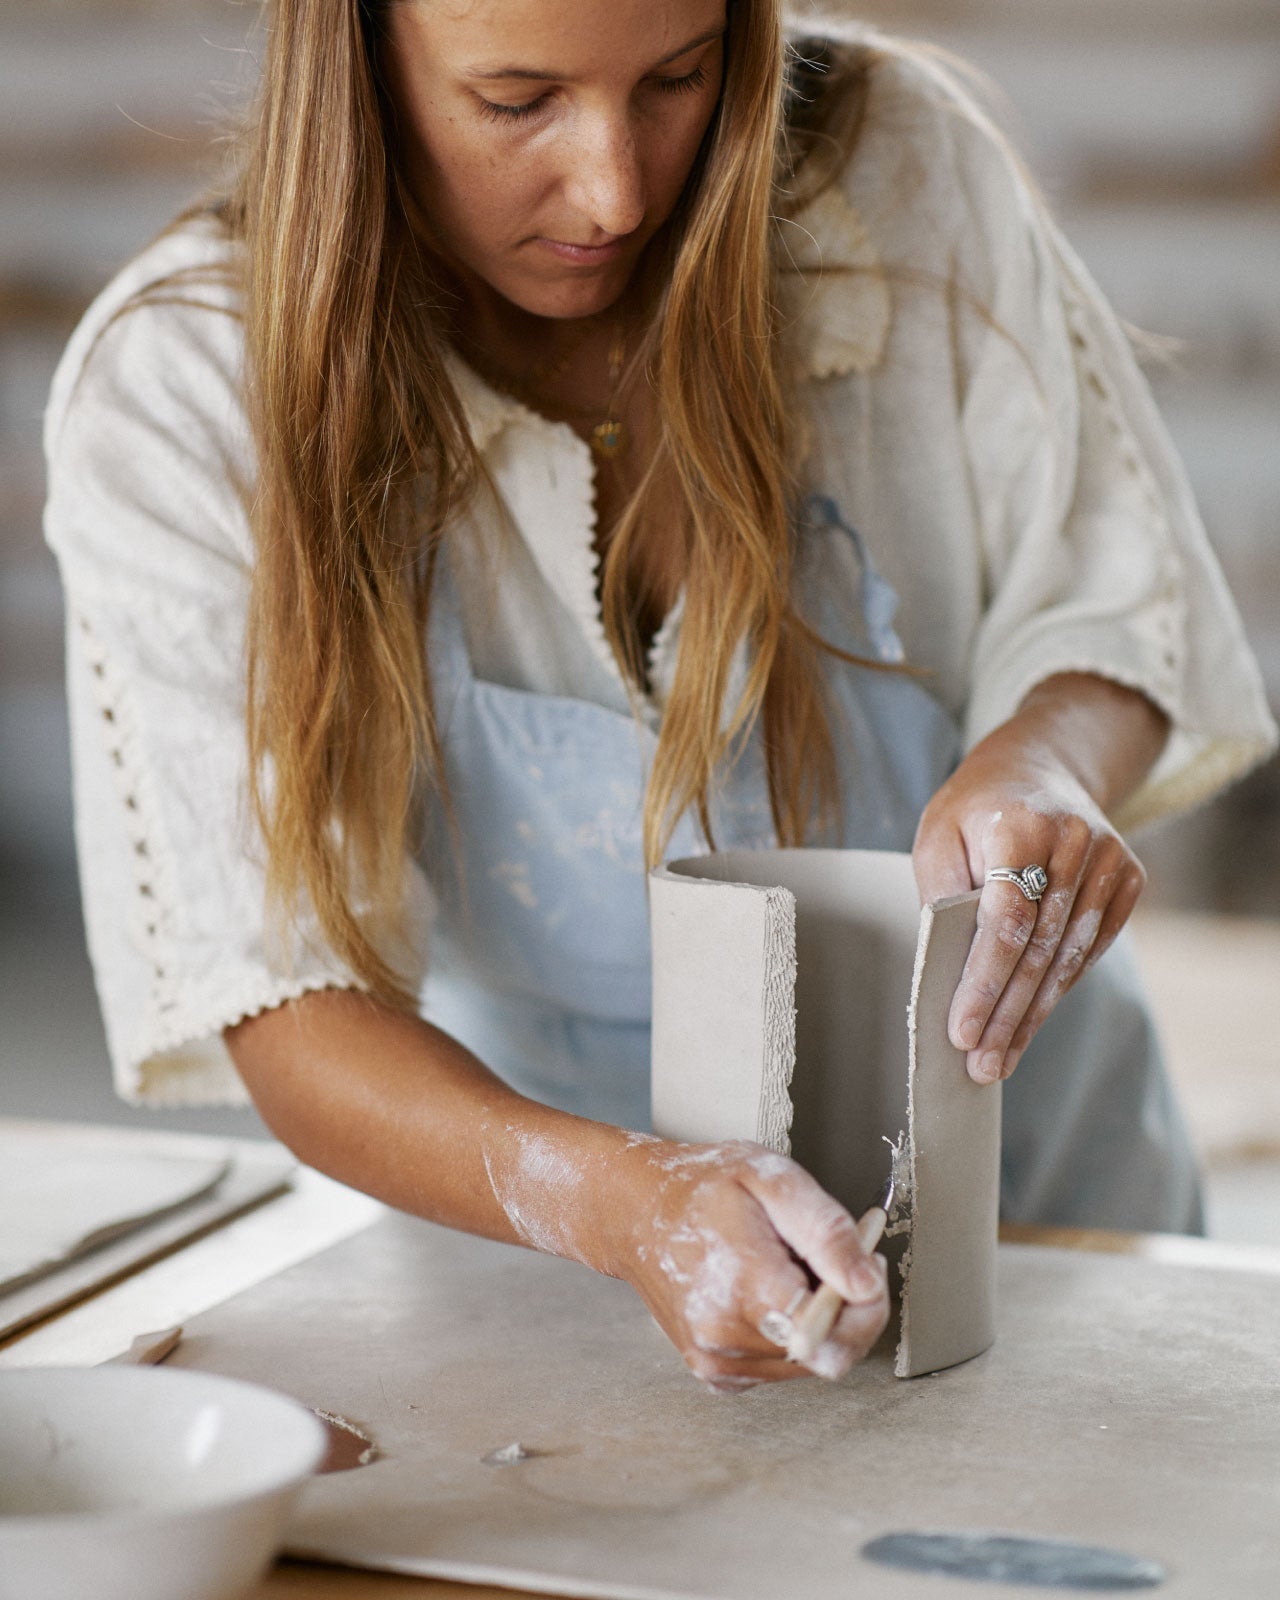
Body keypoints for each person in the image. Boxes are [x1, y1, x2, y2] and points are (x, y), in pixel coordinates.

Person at [44, 0, 1275, 1393]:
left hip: (1053, 1204)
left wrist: (1041, 761)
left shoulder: (900, 174)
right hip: (553, 1258)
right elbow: (284, 999)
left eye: (681, 78)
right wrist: (623, 1205)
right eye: (517, 101)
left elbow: (1109, 603)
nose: (617, 189)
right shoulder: (187, 386)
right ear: (358, 57)